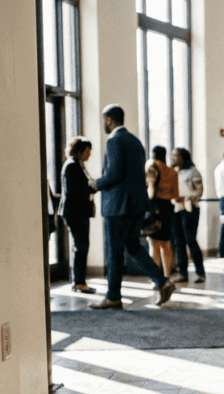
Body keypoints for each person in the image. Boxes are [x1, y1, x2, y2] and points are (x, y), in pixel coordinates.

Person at [91, 104, 175, 309]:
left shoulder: (114, 141)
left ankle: (113, 297)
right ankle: (162, 282)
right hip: (136, 205)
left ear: (109, 120)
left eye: (104, 121)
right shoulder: (136, 142)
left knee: (114, 250)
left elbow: (114, 174)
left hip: (117, 206)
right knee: (133, 246)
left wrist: (95, 184)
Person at [60, 136, 97, 294]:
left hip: (77, 211)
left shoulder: (76, 164)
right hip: (75, 212)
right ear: (80, 151)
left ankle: (79, 281)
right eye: (87, 151)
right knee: (81, 246)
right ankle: (78, 282)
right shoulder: (72, 166)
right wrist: (92, 188)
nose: (89, 154)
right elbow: (74, 190)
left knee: (81, 246)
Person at [170, 147, 206, 284]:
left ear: (183, 157)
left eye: (176, 155)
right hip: (176, 209)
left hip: (190, 210)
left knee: (190, 240)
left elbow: (199, 191)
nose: (174, 158)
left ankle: (200, 273)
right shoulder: (174, 172)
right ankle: (182, 273)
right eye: (173, 155)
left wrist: (186, 198)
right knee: (178, 242)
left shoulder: (193, 172)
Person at [145, 146, 178, 278]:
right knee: (166, 244)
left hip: (156, 208)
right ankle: (166, 276)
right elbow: (175, 194)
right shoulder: (172, 171)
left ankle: (156, 278)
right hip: (168, 208)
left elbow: (151, 191)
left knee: (154, 244)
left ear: (153, 155)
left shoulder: (152, 168)